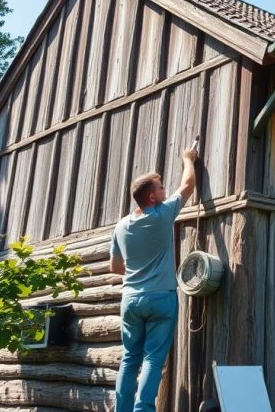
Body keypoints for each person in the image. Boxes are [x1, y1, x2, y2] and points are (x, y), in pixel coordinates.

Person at [110, 145, 198, 412]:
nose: (164, 190)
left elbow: (115, 267)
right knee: (152, 359)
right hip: (161, 298)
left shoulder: (121, 225)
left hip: (131, 300)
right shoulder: (161, 215)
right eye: (160, 188)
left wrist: (139, 274)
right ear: (151, 197)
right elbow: (188, 184)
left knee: (129, 360)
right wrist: (187, 159)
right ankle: (143, 409)